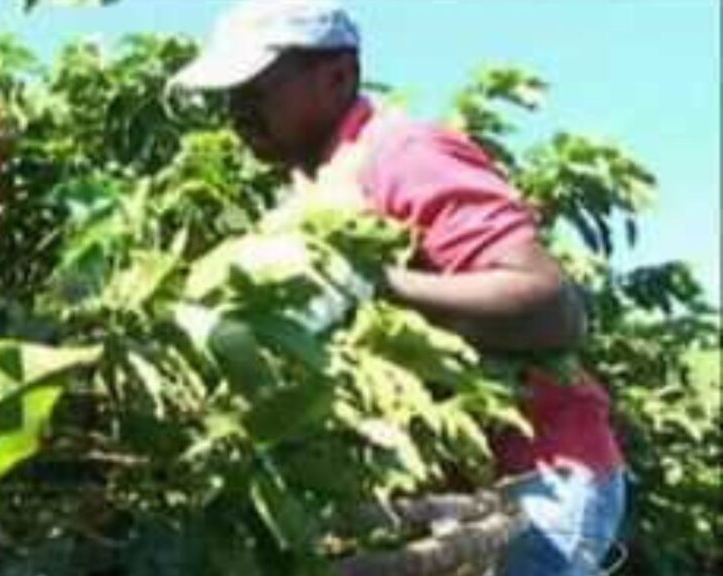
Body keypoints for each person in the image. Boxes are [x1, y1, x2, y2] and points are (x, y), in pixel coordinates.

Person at [168, 1, 627, 575]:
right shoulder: (308, 197)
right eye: (229, 94)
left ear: (338, 75)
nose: (237, 110)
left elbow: (553, 308)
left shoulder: (401, 154)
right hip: (458, 493)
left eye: (255, 88)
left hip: (539, 478)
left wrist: (372, 283)